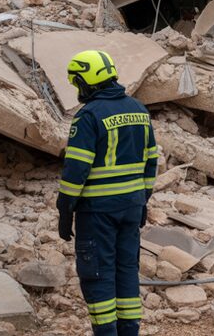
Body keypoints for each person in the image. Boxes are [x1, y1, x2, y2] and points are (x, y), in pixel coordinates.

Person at [57, 50, 158, 336]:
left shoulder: (88, 116)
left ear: (86, 80)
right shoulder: (139, 109)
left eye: (77, 82)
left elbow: (76, 170)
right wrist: (142, 200)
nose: (78, 89)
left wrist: (65, 210)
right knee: (126, 271)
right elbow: (151, 161)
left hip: (98, 212)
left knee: (97, 275)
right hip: (131, 207)